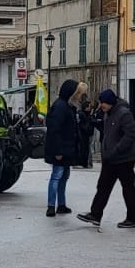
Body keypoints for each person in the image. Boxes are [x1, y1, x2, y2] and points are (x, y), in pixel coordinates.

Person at [77, 88, 135, 229]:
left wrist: (118, 149)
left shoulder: (124, 114)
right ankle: (95, 215)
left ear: (111, 102)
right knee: (103, 187)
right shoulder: (107, 114)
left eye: (104, 102)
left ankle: (133, 219)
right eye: (101, 102)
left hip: (123, 159)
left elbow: (131, 133)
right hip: (109, 159)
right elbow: (108, 133)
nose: (101, 105)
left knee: (128, 188)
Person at [44, 79, 82, 217]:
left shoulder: (66, 106)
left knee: (63, 176)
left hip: (66, 149)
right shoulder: (61, 107)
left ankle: (61, 205)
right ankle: (51, 206)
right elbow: (55, 130)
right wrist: (58, 151)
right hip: (61, 150)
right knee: (57, 176)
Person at [74, 96, 95, 168]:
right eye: (89, 107)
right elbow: (84, 124)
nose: (90, 108)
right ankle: (82, 163)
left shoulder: (85, 114)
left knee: (86, 149)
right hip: (83, 135)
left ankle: (85, 163)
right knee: (84, 148)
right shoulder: (82, 114)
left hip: (85, 134)